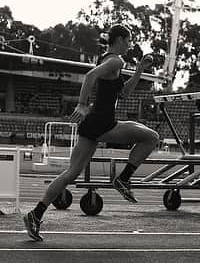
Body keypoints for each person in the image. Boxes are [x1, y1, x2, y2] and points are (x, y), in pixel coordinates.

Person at [23, 24, 160, 241]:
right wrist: (81, 104)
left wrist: (140, 69)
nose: (130, 44)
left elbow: (123, 92)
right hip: (104, 124)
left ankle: (35, 214)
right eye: (129, 40)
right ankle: (123, 179)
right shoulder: (115, 60)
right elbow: (89, 77)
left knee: (71, 173)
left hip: (93, 124)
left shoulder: (109, 60)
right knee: (151, 137)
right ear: (119, 40)